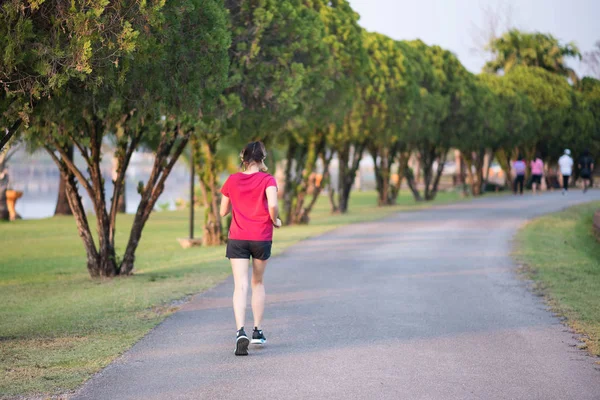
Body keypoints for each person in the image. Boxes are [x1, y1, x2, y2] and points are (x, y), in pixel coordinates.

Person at [219, 141, 281, 356]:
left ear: (243, 158)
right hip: (261, 237)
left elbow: (222, 211)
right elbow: (272, 205)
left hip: (238, 238)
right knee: (257, 282)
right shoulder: (268, 179)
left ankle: (240, 332)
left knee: (240, 285)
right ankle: (257, 331)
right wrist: (276, 220)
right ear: (262, 158)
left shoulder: (232, 180)